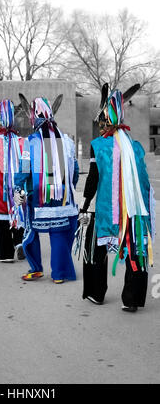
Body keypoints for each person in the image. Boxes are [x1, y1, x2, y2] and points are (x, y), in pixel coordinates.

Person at [80, 86, 155, 312]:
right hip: (135, 210)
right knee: (135, 249)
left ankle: (96, 293)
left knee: (94, 248)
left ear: (106, 121)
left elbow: (93, 179)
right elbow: (144, 180)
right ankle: (132, 299)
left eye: (101, 120)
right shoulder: (135, 146)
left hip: (107, 210)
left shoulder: (99, 145)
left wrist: (84, 205)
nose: (100, 124)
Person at [14, 95, 79, 283]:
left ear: (34, 119)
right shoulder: (66, 141)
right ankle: (59, 274)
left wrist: (18, 188)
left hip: (38, 197)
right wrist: (68, 189)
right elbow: (74, 170)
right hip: (63, 197)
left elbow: (24, 170)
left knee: (31, 231)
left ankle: (36, 268)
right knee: (58, 232)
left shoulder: (31, 141)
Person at [0, 98, 25, 262]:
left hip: (0, 187)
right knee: (18, 209)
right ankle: (20, 242)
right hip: (18, 184)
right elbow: (26, 166)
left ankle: (6, 253)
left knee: (2, 215)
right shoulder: (22, 141)